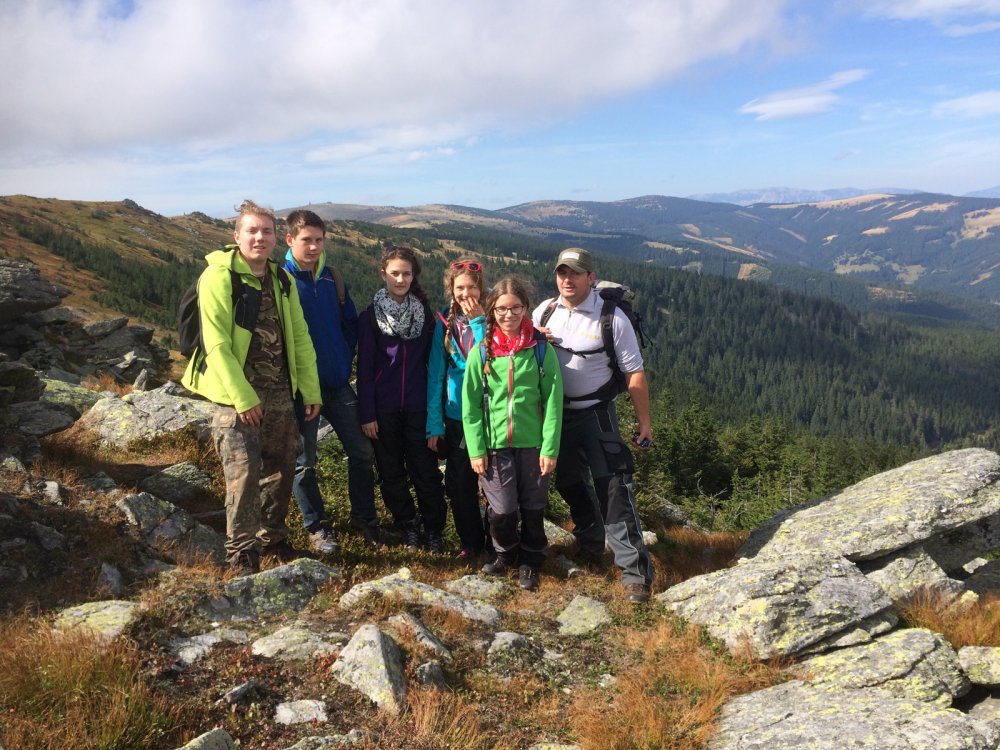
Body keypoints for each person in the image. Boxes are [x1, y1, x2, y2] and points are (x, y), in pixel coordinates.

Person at [182, 199, 321, 575]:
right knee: (243, 474)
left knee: (282, 468)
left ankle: (272, 541)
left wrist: (310, 390)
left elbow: (300, 337)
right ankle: (241, 554)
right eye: (252, 230)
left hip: (279, 390)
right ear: (237, 235)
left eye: (267, 231)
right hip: (234, 396)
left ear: (277, 237)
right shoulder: (218, 277)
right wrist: (243, 398)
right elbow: (216, 344)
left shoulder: (281, 279)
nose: (260, 237)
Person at [532, 247, 654, 603]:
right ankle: (590, 541)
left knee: (613, 487)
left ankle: (634, 575)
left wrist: (644, 422)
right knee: (569, 481)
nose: (567, 279)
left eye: (576, 273)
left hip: (597, 413)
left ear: (591, 277)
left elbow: (634, 373)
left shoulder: (612, 318)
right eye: (562, 272)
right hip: (556, 415)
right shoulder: (545, 311)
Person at [282, 209, 381, 553]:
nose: (313, 247)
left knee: (362, 450)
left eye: (319, 240)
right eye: (306, 240)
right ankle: (317, 527)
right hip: (302, 389)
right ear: (290, 239)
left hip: (337, 383)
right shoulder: (280, 281)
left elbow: (349, 322)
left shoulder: (332, 278)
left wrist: (342, 354)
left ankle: (364, 518)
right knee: (304, 462)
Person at [463, 276, 563, 591]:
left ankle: (531, 560)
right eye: (502, 309)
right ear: (492, 311)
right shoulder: (481, 352)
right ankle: (506, 554)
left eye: (515, 308)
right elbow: (470, 406)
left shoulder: (540, 350)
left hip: (533, 444)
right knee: (503, 509)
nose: (509, 315)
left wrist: (550, 448)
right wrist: (476, 450)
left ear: (525, 308)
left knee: (533, 507)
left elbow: (553, 401)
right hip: (494, 445)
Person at [357, 244, 447, 551]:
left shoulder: (424, 315)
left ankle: (433, 530)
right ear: (383, 274)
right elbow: (365, 368)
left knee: (426, 472)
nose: (400, 279)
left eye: (406, 274)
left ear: (413, 276)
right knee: (391, 473)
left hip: (418, 407)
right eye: (394, 273)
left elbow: (436, 364)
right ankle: (408, 525)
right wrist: (367, 413)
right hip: (383, 410)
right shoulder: (370, 317)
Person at [426, 258, 490, 560]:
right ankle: (472, 543)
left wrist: (479, 323)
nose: (466, 294)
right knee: (458, 482)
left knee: (495, 482)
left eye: (472, 288)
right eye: (460, 288)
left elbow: (490, 361)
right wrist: (434, 424)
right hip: (457, 416)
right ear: (451, 290)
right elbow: (436, 375)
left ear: (482, 288)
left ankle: (500, 542)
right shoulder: (445, 323)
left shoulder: (496, 316)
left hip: (491, 414)